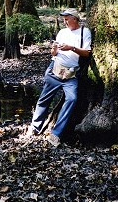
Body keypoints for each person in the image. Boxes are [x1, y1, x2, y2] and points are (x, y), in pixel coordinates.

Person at [29, 8, 92, 147]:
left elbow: (87, 53)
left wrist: (72, 48)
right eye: (63, 19)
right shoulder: (62, 32)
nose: (64, 22)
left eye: (66, 19)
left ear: (74, 19)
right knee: (44, 99)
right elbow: (53, 53)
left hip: (71, 75)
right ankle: (35, 127)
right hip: (55, 70)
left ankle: (56, 133)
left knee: (72, 99)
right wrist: (54, 49)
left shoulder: (84, 32)